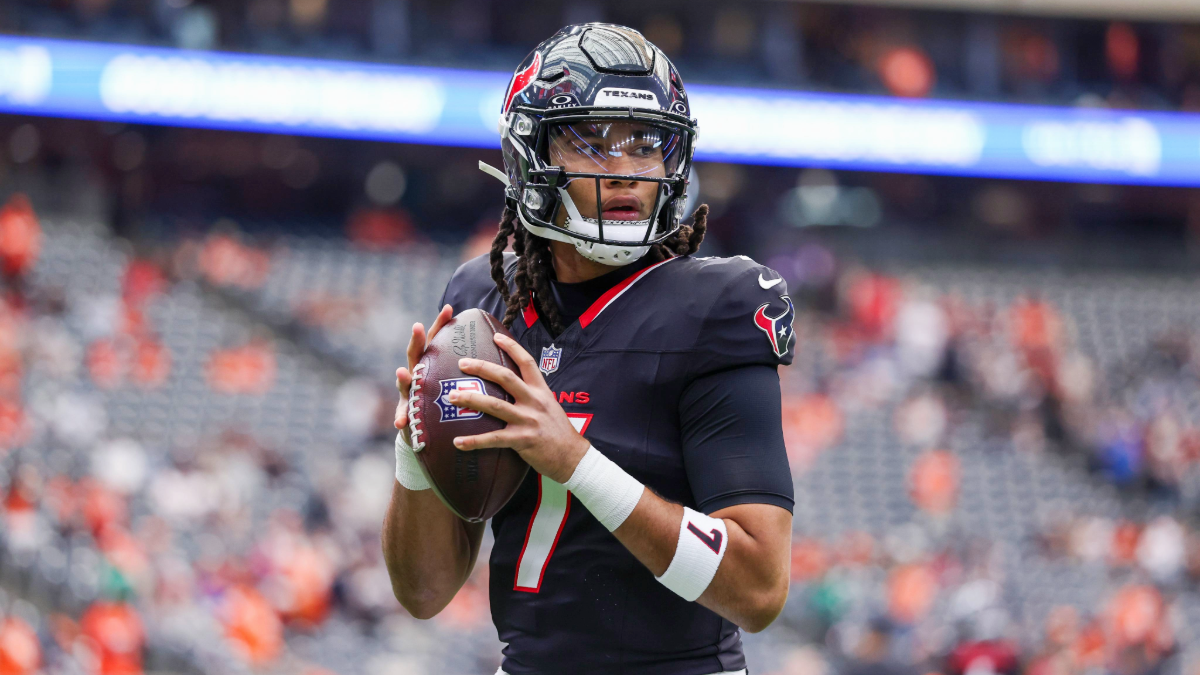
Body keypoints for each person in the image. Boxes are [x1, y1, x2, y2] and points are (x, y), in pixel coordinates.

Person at [382, 23, 796, 675]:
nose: (627, 172)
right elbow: (425, 590)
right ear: (531, 156)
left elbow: (759, 587)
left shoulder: (719, 303)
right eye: (594, 144)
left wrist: (574, 461)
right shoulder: (481, 299)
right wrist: (412, 448)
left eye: (645, 145)